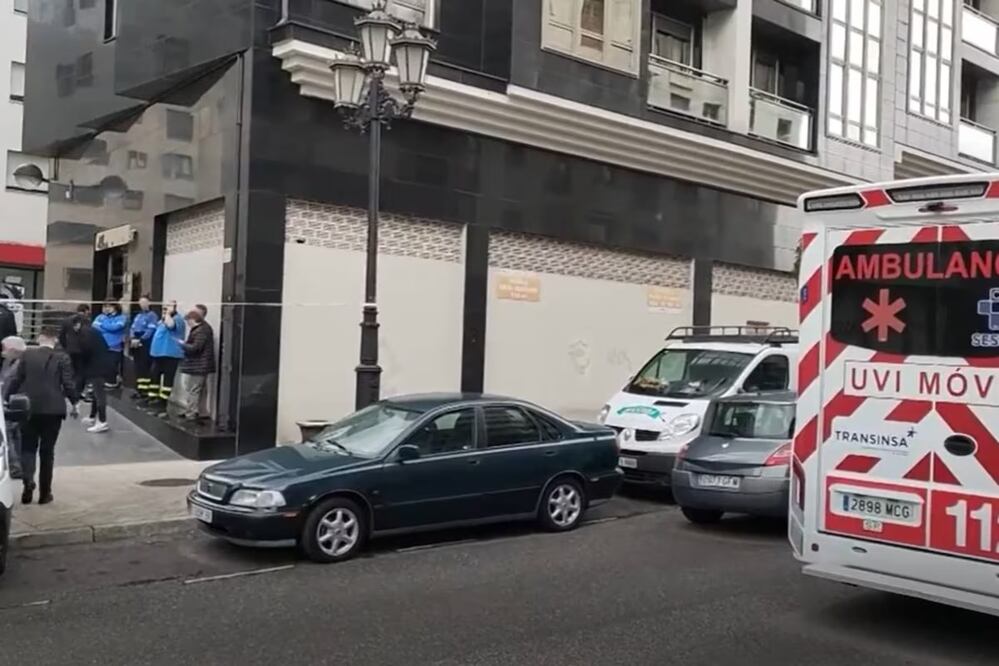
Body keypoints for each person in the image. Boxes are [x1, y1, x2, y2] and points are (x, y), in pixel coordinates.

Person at [4, 326, 79, 505]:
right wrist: (75, 403)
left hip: (28, 407)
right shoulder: (62, 357)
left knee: (28, 448)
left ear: (40, 338)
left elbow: (15, 379)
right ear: (55, 340)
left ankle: (28, 482)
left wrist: (6, 398)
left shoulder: (27, 356)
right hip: (54, 409)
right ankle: (45, 493)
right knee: (47, 452)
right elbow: (68, 384)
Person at [75, 316, 113, 434]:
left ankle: (102, 421)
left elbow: (85, 350)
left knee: (99, 394)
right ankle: (93, 417)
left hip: (97, 366)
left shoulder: (85, 333)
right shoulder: (91, 331)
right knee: (96, 393)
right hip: (100, 364)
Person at [148, 300, 186, 415]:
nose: (165, 310)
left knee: (167, 380)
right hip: (158, 354)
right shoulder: (162, 320)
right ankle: (153, 400)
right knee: (154, 377)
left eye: (168, 307)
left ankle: (162, 403)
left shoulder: (177, 319)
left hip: (170, 354)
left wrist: (169, 314)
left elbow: (171, 325)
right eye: (164, 308)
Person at [179, 304, 215, 421]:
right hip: (199, 365)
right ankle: (198, 411)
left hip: (199, 365)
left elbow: (195, 348)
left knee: (194, 390)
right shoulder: (201, 329)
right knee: (198, 390)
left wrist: (182, 345)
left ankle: (191, 413)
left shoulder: (202, 330)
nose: (188, 324)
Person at [1, 335, 26, 480]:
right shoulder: (10, 362)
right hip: (9, 402)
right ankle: (17, 465)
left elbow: (12, 382)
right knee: (14, 435)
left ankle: (15, 466)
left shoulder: (20, 365)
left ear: (12, 350)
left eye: (4, 349)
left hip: (14, 402)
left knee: (10, 434)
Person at [128, 296, 159, 402]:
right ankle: (139, 389)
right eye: (140, 302)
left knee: (145, 367)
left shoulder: (152, 316)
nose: (142, 304)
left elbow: (150, 330)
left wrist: (141, 339)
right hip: (135, 341)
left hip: (145, 343)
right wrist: (132, 338)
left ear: (149, 303)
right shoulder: (138, 316)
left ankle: (145, 391)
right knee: (138, 367)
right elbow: (132, 327)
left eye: (144, 302)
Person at [92, 302, 128, 388]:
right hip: (102, 346)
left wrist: (103, 326)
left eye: (110, 306)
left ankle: (114, 383)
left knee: (112, 366)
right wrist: (109, 329)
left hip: (114, 347)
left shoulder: (122, 318)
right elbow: (94, 326)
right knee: (102, 367)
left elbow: (115, 327)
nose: (107, 308)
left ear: (115, 307)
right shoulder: (100, 317)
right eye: (105, 306)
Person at [59, 303, 92, 396]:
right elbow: (88, 336)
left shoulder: (66, 320)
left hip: (70, 349)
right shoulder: (87, 321)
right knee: (81, 371)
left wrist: (65, 346)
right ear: (86, 311)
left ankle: (67, 390)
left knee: (70, 371)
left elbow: (61, 336)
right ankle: (78, 391)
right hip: (82, 350)